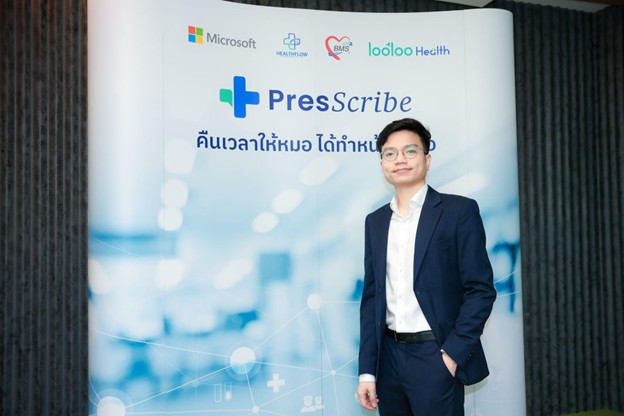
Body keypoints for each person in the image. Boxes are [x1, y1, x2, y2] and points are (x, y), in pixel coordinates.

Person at [356, 118, 497, 415]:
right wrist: (367, 371)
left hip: (435, 355)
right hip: (388, 360)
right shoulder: (375, 222)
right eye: (390, 153)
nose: (400, 159)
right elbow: (371, 301)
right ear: (382, 163)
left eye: (410, 151)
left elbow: (480, 290)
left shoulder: (458, 211)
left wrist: (452, 354)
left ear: (427, 159)